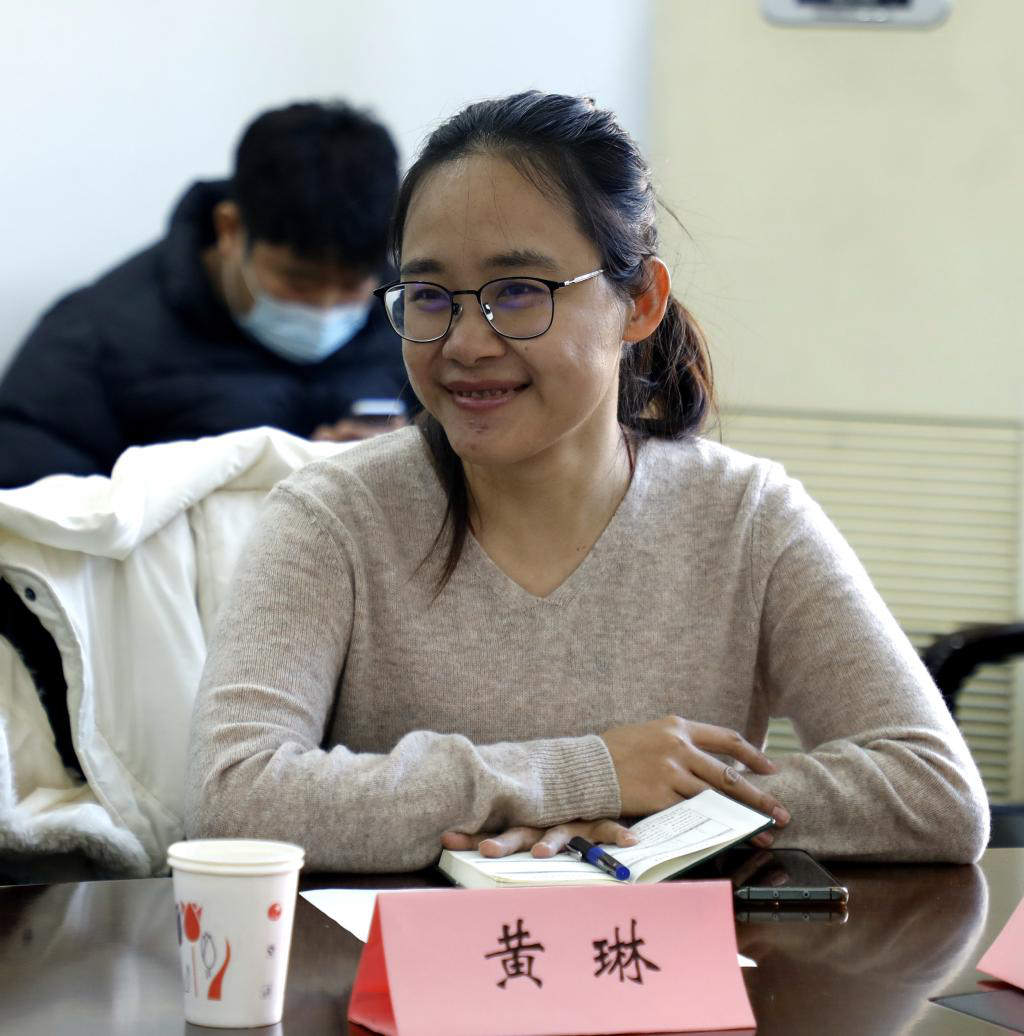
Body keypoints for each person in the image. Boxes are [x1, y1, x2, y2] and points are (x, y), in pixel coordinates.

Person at [185, 91, 988, 872]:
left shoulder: (747, 516)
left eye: (517, 292)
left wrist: (674, 812)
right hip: (401, 961)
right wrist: (584, 776)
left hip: (664, 960)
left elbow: (935, 791)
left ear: (639, 302)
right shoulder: (331, 517)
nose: (464, 343)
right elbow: (231, 795)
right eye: (429, 296)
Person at [0, 101, 409, 489]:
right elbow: (30, 508)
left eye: (352, 285)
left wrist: (415, 454)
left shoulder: (414, 317)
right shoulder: (92, 342)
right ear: (229, 229)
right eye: (298, 282)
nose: (325, 308)